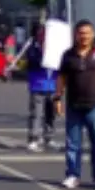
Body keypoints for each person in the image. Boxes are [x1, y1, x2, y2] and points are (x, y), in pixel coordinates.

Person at [57, 20, 95, 189]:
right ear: (76, 35)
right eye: (81, 33)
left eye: (87, 33)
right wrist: (57, 98)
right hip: (74, 104)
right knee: (73, 143)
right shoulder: (68, 55)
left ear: (93, 34)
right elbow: (61, 78)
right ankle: (73, 174)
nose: (84, 36)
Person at [24, 24, 58, 152]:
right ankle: (33, 139)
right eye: (42, 33)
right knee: (36, 114)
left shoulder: (55, 48)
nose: (44, 36)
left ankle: (48, 137)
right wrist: (44, 52)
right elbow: (33, 62)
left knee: (51, 114)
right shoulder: (32, 48)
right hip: (38, 85)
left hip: (52, 85)